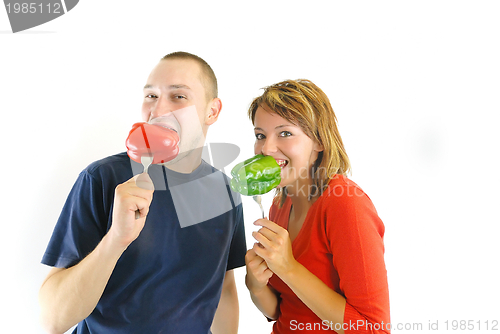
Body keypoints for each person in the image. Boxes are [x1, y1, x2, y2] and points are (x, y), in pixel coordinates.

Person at [39, 52, 247, 334]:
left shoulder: (224, 190)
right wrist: (116, 239)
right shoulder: (102, 179)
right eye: (151, 96)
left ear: (212, 111)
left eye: (178, 97)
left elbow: (223, 288)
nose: (158, 110)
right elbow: (53, 320)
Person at [244, 79, 390, 333]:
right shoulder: (281, 202)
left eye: (285, 133)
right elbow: (283, 310)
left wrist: (288, 268)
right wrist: (256, 285)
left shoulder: (346, 204)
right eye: (260, 135)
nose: (266, 148)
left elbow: (373, 329)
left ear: (319, 142)